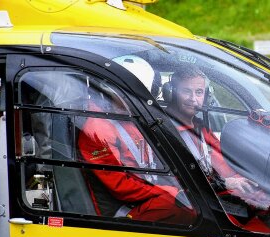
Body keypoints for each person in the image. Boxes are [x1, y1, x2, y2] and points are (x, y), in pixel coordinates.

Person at [165, 65, 270, 233]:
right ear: (171, 93)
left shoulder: (201, 130)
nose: (193, 99)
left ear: (206, 96)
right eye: (186, 91)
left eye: (199, 92)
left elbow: (224, 168)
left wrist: (252, 186)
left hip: (210, 196)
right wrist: (226, 183)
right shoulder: (164, 130)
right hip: (189, 206)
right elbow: (179, 183)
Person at [78, 75, 196, 225]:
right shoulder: (97, 129)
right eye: (124, 96)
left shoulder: (134, 119)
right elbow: (120, 186)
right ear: (108, 93)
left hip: (150, 195)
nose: (132, 102)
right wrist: (169, 192)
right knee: (190, 206)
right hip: (125, 210)